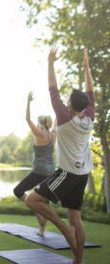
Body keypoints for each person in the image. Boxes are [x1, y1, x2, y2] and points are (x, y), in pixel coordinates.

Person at [25, 47, 95, 264]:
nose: (64, 101)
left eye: (67, 100)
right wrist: (87, 68)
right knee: (77, 218)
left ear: (71, 104)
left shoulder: (64, 116)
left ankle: (64, 229)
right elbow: (90, 93)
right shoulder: (89, 116)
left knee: (32, 200)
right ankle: (78, 260)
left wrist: (50, 63)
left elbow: (52, 89)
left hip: (68, 173)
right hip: (82, 174)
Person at [13, 91, 56, 236]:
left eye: (38, 122)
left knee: (18, 191)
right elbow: (58, 120)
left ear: (40, 123)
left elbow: (27, 118)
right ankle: (42, 229)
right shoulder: (53, 134)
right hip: (51, 172)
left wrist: (28, 101)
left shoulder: (40, 134)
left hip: (38, 171)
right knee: (43, 200)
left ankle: (37, 212)